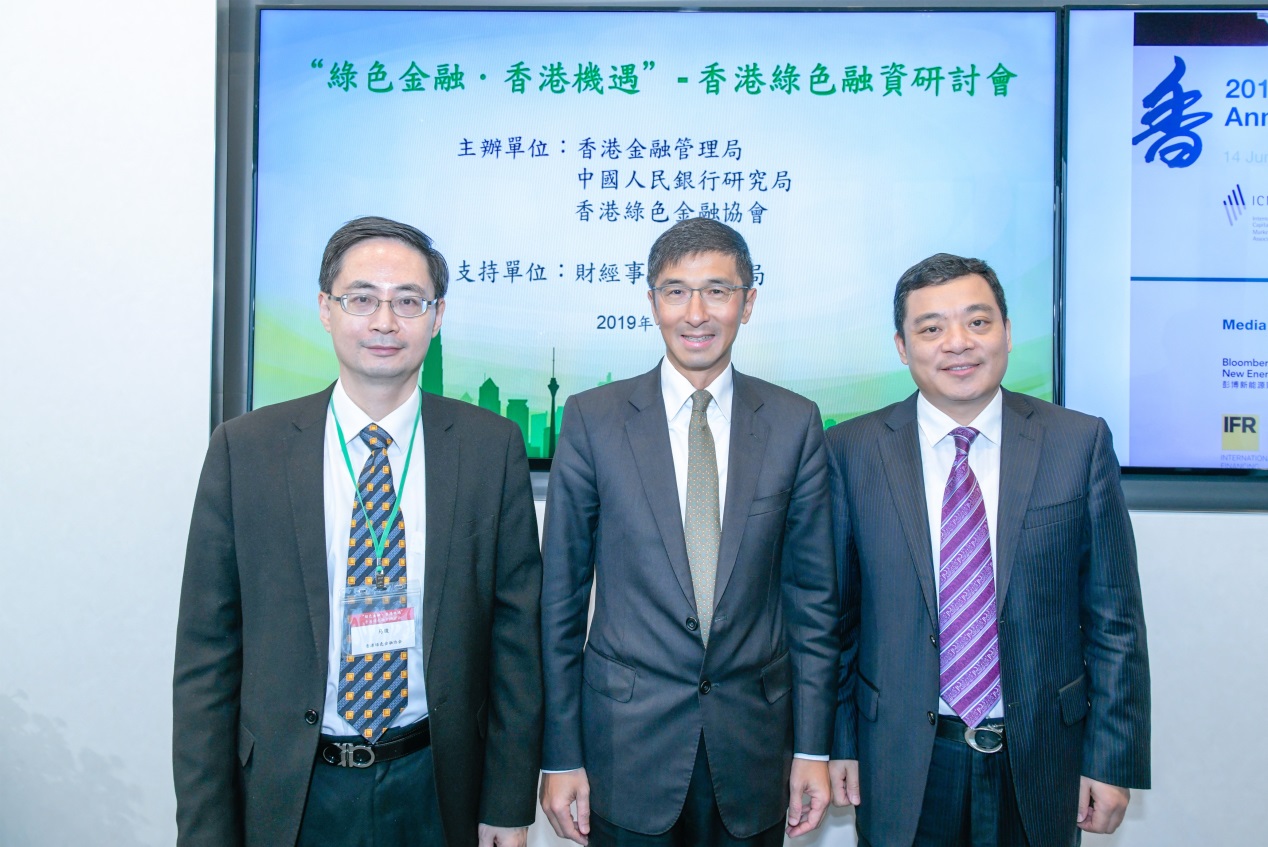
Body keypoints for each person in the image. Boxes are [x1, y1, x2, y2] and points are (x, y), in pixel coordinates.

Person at [173, 216, 543, 847]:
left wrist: (508, 804)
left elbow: (516, 640)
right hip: (293, 789)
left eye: (408, 302)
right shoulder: (248, 449)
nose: (384, 322)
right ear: (326, 309)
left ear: (437, 315)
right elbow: (207, 657)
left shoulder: (488, 447)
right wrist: (207, 830)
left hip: (436, 782)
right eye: (361, 299)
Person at [825, 253, 1150, 847]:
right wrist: (840, 743)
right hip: (901, 757)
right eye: (931, 328)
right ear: (902, 346)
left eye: (978, 322)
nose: (958, 343)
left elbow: (1115, 620)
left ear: (1006, 331)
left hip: (1042, 756)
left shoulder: (1078, 443)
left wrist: (1111, 759)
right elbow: (836, 620)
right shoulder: (851, 450)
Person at [539, 217, 838, 846]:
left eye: (718, 291)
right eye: (675, 291)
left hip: (755, 748)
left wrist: (812, 747)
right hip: (625, 747)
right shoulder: (593, 420)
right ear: (651, 301)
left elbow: (813, 604)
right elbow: (560, 600)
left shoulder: (793, 422)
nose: (695, 313)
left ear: (748, 303)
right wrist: (561, 754)